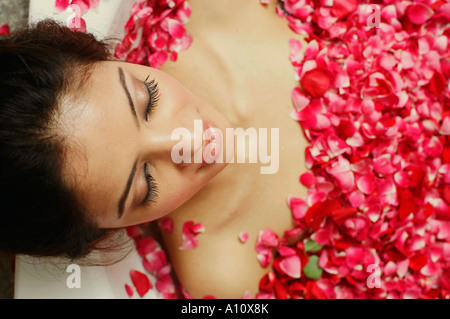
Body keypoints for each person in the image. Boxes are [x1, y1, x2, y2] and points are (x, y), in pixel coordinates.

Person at [0, 0, 309, 298]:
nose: (186, 142)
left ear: (102, 53)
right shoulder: (225, 276)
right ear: (103, 233)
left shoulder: (212, 6)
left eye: (148, 101)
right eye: (146, 183)